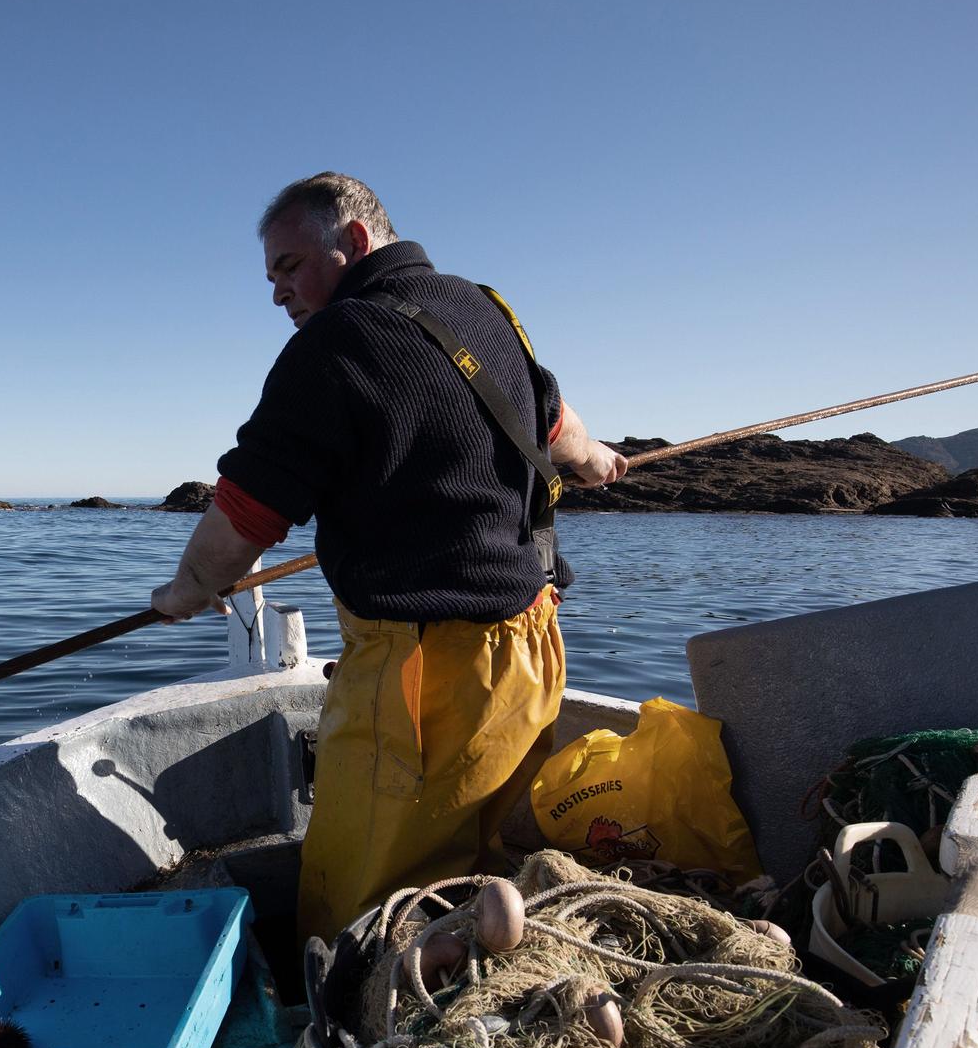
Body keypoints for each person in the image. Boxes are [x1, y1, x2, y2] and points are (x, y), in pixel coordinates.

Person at [150, 173, 627, 942]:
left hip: (423, 679)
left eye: (290, 266)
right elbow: (557, 424)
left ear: (357, 241)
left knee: (366, 905)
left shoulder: (333, 347)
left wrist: (188, 587)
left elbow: (245, 513)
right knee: (492, 867)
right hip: (534, 645)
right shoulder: (487, 307)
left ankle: (370, 1030)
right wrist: (598, 460)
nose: (278, 293)